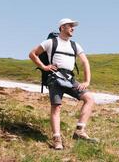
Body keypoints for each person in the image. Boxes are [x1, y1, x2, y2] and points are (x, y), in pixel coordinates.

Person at [29, 18, 95, 150]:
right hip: (55, 78)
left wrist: (87, 81)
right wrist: (44, 67)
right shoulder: (50, 42)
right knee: (56, 107)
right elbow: (32, 54)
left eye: (73, 26)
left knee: (89, 98)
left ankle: (79, 131)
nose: (73, 28)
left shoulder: (75, 45)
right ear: (62, 27)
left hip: (70, 79)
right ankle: (57, 139)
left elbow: (85, 62)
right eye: (70, 26)